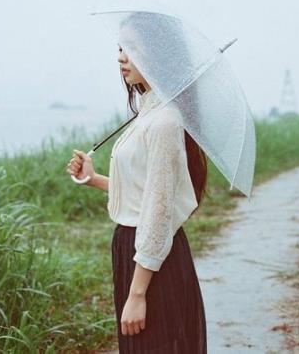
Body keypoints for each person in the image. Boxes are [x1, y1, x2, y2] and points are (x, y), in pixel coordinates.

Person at [66, 43, 208, 353]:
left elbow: (158, 212)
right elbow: (141, 193)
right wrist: (91, 178)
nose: (120, 57)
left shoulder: (165, 121)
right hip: (134, 250)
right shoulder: (148, 111)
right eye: (119, 49)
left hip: (153, 258)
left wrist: (138, 294)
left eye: (131, 49)